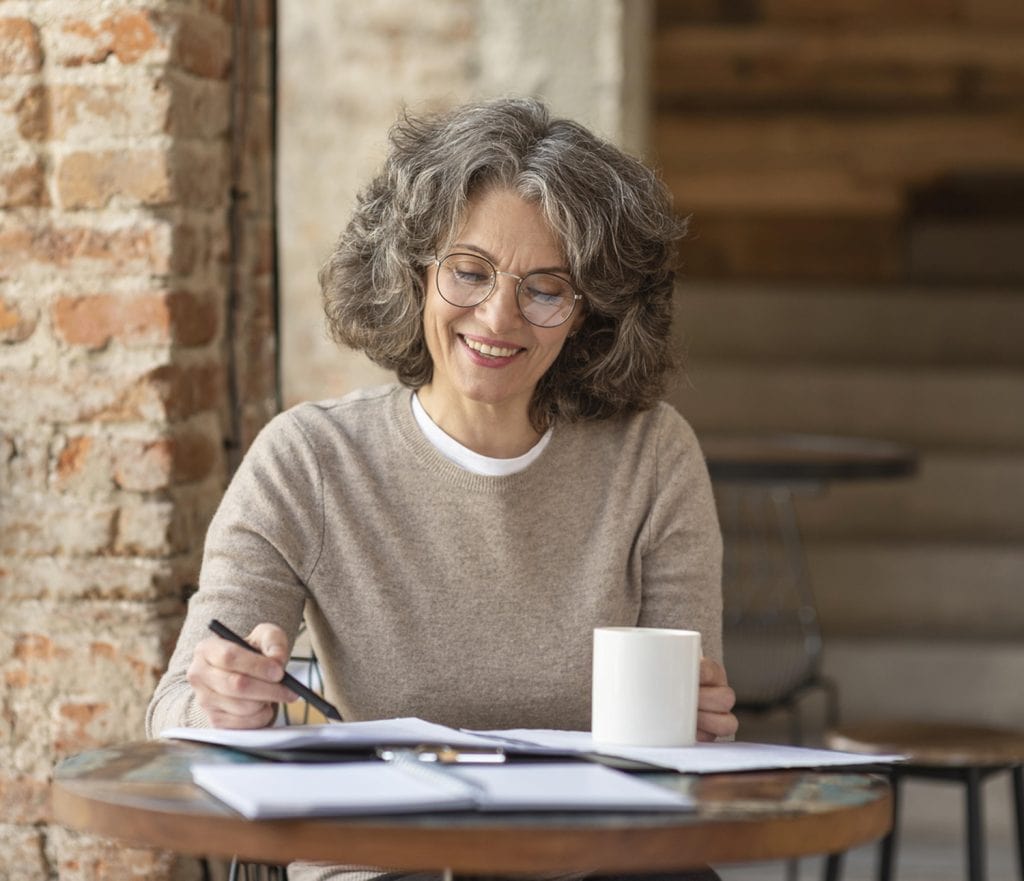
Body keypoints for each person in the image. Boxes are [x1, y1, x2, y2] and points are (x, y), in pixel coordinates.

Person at [147, 97, 737, 880]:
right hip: (385, 864)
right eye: (469, 271)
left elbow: (686, 739)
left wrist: (697, 723)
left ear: (589, 311)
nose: (499, 316)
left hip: (591, 861)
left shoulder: (653, 457)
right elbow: (172, 716)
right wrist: (221, 700)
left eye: (546, 288)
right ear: (417, 269)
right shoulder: (310, 460)